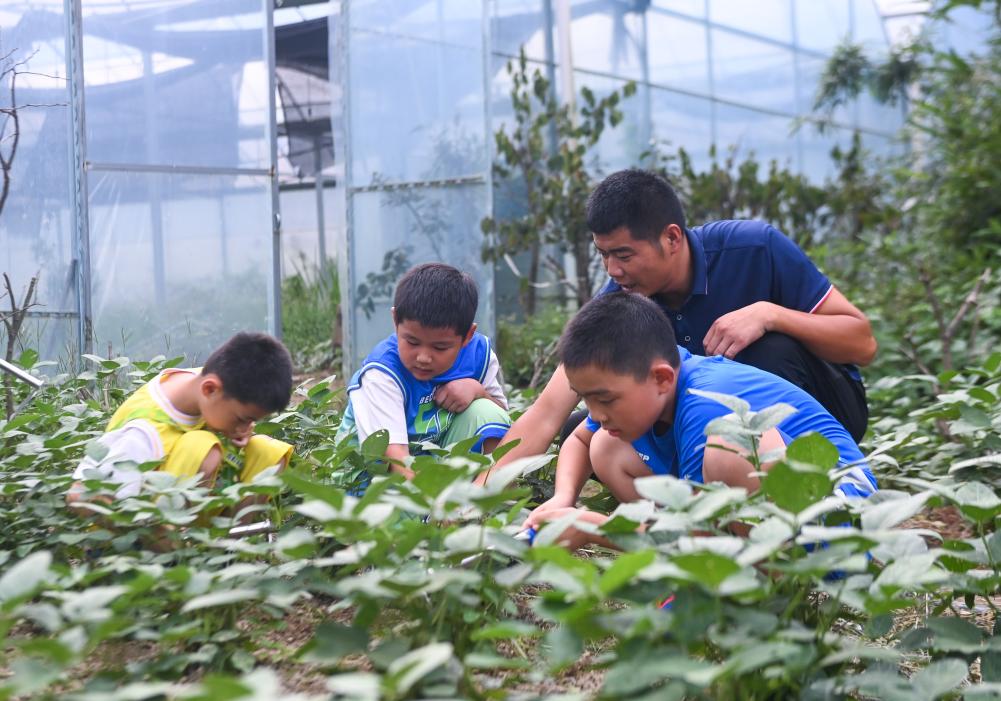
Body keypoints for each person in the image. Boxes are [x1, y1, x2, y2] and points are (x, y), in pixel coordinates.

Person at [498, 168, 876, 514]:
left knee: (766, 350)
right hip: (702, 430)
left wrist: (771, 314)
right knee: (592, 425)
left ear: (672, 238)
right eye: (604, 255)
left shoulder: (754, 250)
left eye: (624, 254)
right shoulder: (624, 299)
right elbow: (549, 409)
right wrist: (479, 494)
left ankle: (780, 494)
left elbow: (862, 343)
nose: (613, 270)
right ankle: (694, 510)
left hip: (818, 413)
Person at [523, 292, 878, 550]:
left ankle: (761, 583)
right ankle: (689, 553)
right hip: (788, 509)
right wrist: (563, 500)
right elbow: (582, 441)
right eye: (585, 398)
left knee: (732, 444)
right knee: (605, 444)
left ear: (662, 379)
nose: (595, 412)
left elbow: (699, 536)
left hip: (842, 516)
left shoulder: (704, 404)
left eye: (605, 399)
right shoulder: (659, 377)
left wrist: (590, 527)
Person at [68, 331, 295, 504]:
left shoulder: (209, 385)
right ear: (209, 390)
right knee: (204, 449)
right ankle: (182, 554)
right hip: (154, 529)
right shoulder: (143, 431)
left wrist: (235, 426)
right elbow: (78, 494)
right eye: (242, 419)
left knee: (268, 453)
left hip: (197, 501)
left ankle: (234, 547)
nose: (247, 427)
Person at [335, 263, 510, 484]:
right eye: (412, 341)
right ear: (395, 320)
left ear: (468, 335)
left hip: (433, 471)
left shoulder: (478, 354)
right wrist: (437, 511)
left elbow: (503, 420)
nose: (423, 357)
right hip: (374, 484)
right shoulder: (383, 373)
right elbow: (395, 459)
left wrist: (478, 391)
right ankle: (438, 512)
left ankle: (493, 500)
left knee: (487, 412)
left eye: (440, 347)